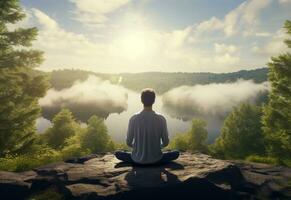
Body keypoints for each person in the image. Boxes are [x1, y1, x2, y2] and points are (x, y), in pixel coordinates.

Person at [115, 88, 179, 165]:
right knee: (176, 153)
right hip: (156, 159)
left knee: (118, 153)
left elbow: (128, 142)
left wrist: (139, 148)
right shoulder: (161, 119)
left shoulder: (133, 118)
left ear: (141, 101)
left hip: (137, 160)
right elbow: (165, 143)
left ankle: (137, 158)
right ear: (154, 101)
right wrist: (157, 147)